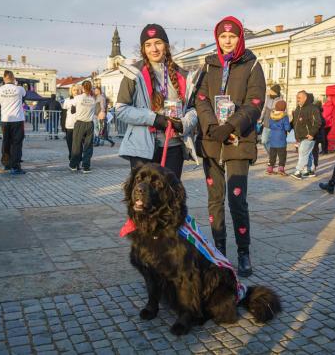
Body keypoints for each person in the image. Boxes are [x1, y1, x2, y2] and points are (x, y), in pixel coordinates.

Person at [195, 16, 265, 277]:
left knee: (237, 200)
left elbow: (255, 101)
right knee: (215, 200)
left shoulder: (251, 63)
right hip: (212, 142)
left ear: (239, 38)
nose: (227, 41)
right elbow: (200, 99)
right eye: (223, 36)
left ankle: (244, 252)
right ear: (217, 38)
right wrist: (213, 126)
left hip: (238, 142)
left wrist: (231, 126)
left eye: (232, 36)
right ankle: (219, 251)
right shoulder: (209, 64)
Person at [115, 23, 198, 180]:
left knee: (170, 197)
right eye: (148, 45)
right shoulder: (134, 74)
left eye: (158, 43)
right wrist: (154, 119)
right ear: (143, 49)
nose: (154, 49)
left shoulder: (183, 75)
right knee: (144, 199)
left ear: (166, 46)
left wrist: (185, 123)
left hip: (173, 145)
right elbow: (121, 109)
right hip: (142, 148)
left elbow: (193, 110)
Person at [0, 70, 26, 175]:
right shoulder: (20, 89)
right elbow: (24, 99)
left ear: (4, 78)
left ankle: (6, 164)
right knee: (17, 143)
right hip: (18, 120)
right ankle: (15, 166)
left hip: (5, 120)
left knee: (6, 142)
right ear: (13, 78)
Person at [290, 90, 321, 180]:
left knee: (303, 153)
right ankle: (310, 170)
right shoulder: (298, 108)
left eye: (299, 97)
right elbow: (295, 122)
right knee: (308, 153)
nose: (297, 99)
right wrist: (289, 128)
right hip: (300, 135)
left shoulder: (313, 108)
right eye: (297, 97)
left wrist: (312, 133)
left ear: (305, 97)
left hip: (309, 136)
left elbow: (318, 122)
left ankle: (298, 171)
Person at [69, 81, 96, 173]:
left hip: (80, 123)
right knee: (88, 146)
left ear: (83, 88)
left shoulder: (77, 98)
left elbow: (72, 110)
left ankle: (73, 165)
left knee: (76, 145)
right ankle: (86, 167)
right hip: (90, 123)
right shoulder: (93, 99)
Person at [266, 99, 291, 175]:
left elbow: (269, 125)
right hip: (281, 138)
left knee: (272, 154)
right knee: (282, 155)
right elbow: (287, 128)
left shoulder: (272, 115)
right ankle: (281, 168)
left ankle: (270, 168)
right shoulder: (284, 116)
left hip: (273, 138)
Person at [259, 84, 283, 157]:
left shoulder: (280, 100)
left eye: (271, 91)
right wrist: (260, 118)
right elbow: (264, 109)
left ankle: (272, 158)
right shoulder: (268, 98)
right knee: (264, 141)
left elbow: (282, 114)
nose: (269, 92)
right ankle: (272, 155)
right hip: (266, 123)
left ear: (275, 92)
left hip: (275, 125)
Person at [62, 85, 80, 161]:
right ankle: (71, 157)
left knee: (78, 144)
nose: (76, 91)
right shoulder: (67, 100)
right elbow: (63, 114)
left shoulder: (81, 100)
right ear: (71, 91)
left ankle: (77, 159)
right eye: (74, 90)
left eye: (77, 90)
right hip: (69, 125)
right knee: (70, 143)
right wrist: (63, 126)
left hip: (79, 124)